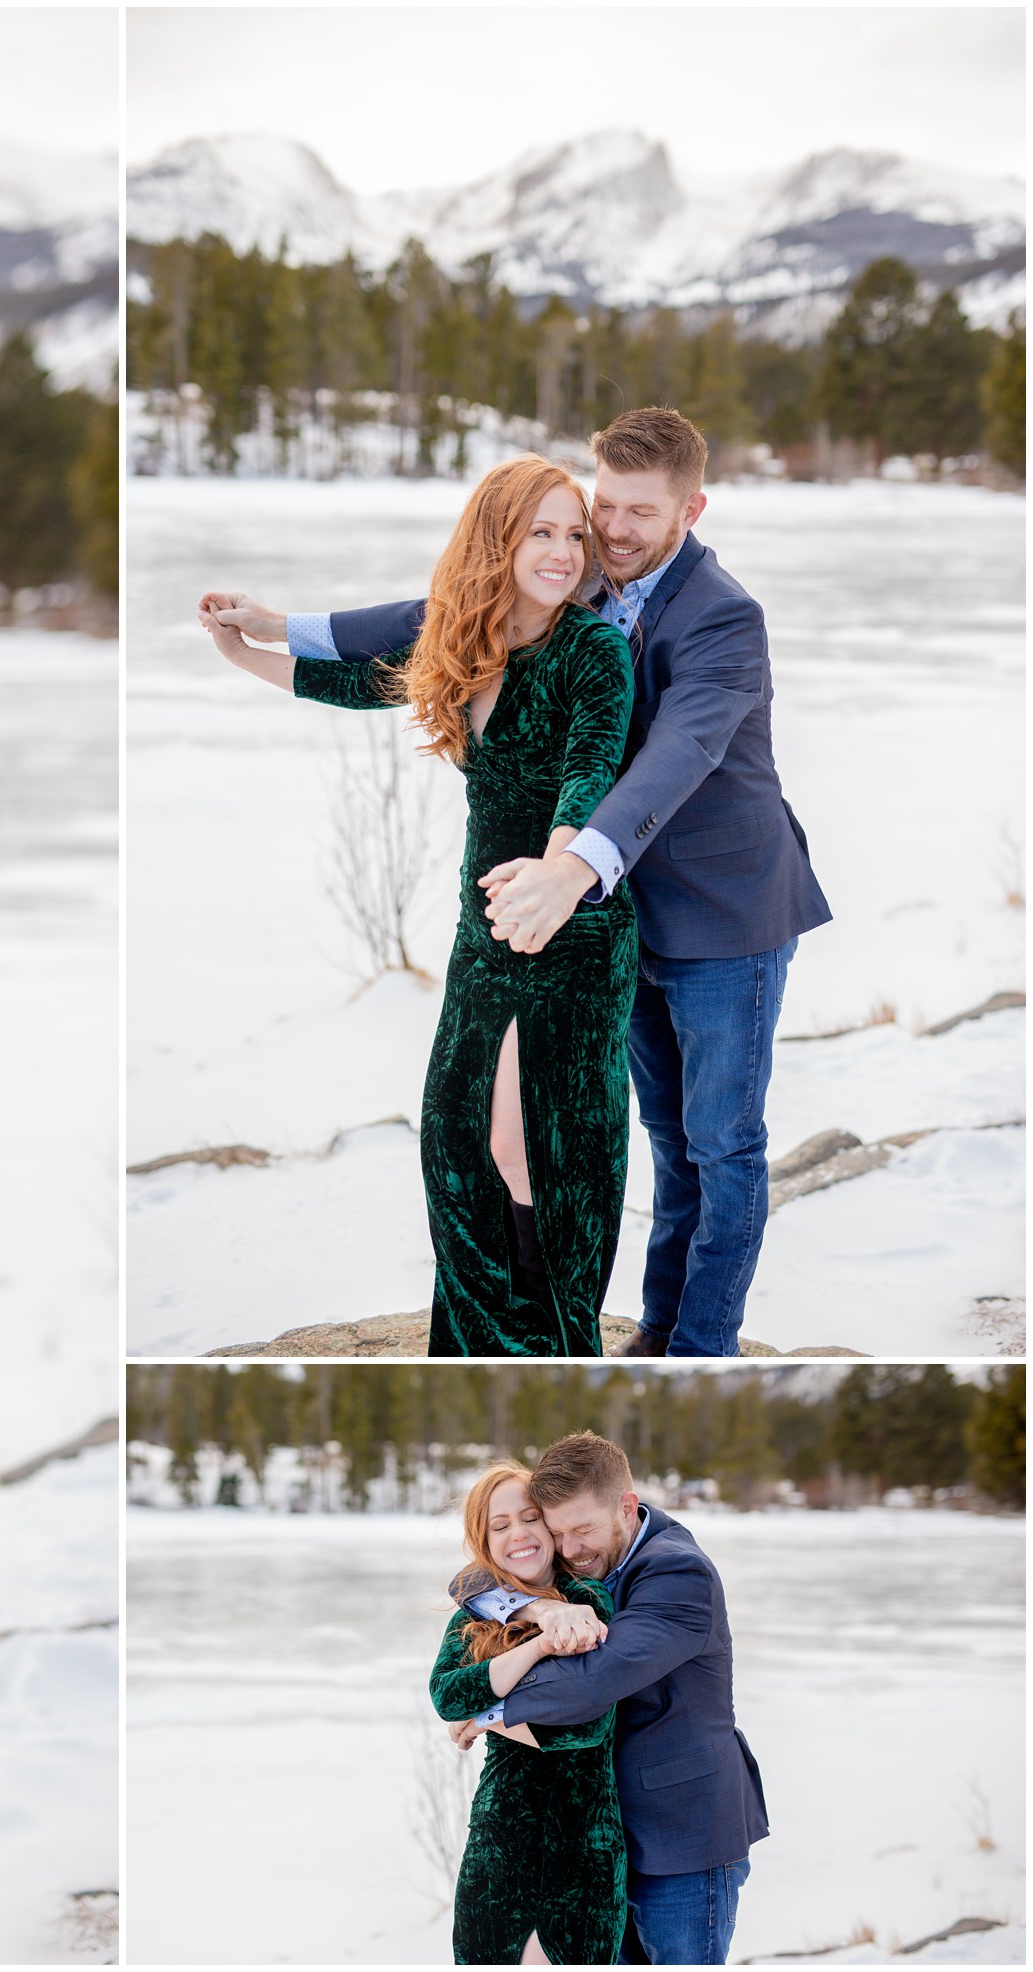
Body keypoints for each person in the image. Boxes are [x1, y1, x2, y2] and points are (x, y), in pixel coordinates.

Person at [246, 409, 831, 1356]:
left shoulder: (725, 615)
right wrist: (290, 631)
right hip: (620, 909)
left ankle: (700, 1346)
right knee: (664, 1141)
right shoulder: (587, 570)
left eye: (641, 512)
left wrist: (572, 861)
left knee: (722, 1145)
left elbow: (677, 754)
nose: (614, 529)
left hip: (724, 915)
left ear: (692, 507)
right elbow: (451, 611)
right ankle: (655, 1328)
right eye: (606, 505)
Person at [201, 457, 635, 1354]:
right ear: (497, 539)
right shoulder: (466, 641)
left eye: (572, 534)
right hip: (483, 932)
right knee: (456, 1140)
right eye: (539, 531)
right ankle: (479, 1338)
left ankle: (546, 1341)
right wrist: (246, 651)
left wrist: (552, 879)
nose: (561, 552)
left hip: (571, 926)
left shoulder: (592, 651)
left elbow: (589, 777)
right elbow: (364, 680)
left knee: (536, 1153)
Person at [447, 1432, 768, 1965]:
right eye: (558, 1533)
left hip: (683, 1834)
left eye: (582, 1531)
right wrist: (536, 1611)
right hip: (606, 1840)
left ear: (627, 1506)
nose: (569, 1550)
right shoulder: (589, 1554)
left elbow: (595, 1680)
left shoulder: (677, 1572)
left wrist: (487, 1708)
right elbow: (471, 1579)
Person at [428, 1461, 623, 1965]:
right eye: (500, 1525)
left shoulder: (586, 1603)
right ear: (485, 1541)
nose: (519, 1534)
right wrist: (535, 1650)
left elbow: (583, 1726)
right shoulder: (473, 1616)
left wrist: (484, 1718)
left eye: (530, 1517)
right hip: (498, 1846)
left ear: (550, 1526)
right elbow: (447, 1696)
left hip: (581, 1851)